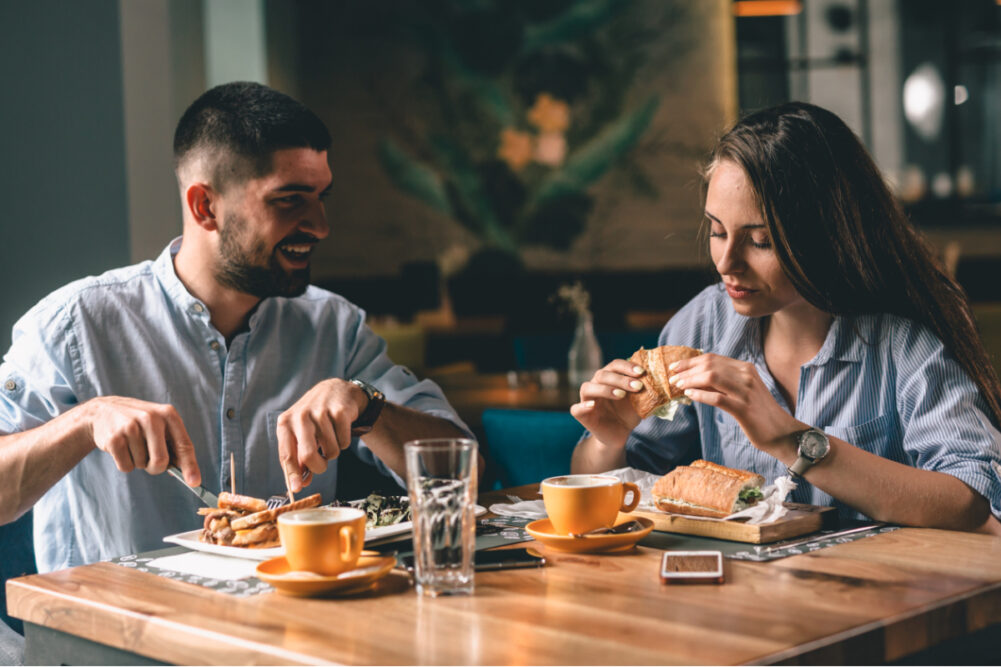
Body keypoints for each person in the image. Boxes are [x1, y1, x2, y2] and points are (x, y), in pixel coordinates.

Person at [0, 82, 477, 573]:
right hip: (117, 642)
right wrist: (85, 420)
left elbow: (466, 474)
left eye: (321, 197)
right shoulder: (76, 325)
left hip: (288, 631)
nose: (320, 225)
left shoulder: (335, 327)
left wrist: (369, 406)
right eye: (290, 200)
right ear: (205, 207)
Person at [570, 101, 1001, 533]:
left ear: (828, 237)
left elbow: (970, 501)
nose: (726, 262)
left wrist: (789, 439)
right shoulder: (703, 323)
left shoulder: (904, 344)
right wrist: (609, 440)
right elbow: (621, 480)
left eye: (760, 241)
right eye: (717, 231)